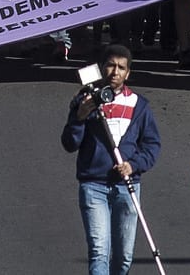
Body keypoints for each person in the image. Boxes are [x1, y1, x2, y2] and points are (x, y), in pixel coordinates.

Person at [62, 43, 161, 275]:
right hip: (93, 185)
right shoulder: (84, 101)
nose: (115, 72)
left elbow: (151, 145)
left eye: (121, 67)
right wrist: (80, 117)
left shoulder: (139, 105)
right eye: (110, 66)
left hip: (128, 186)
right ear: (101, 68)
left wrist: (133, 164)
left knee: (124, 257)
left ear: (128, 73)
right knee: (99, 252)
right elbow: (69, 143)